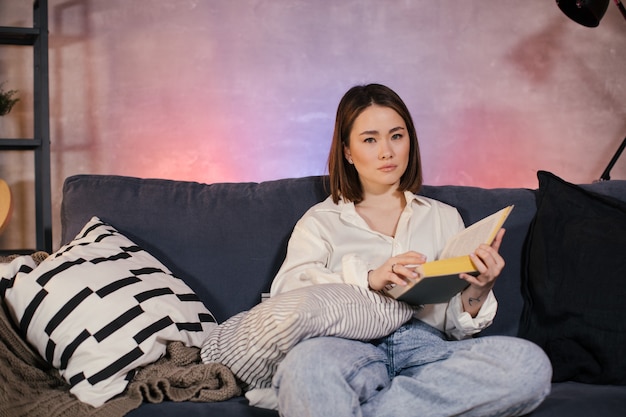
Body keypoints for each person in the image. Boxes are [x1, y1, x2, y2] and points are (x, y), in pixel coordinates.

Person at [269, 83, 552, 417]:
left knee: (529, 366)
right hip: (345, 348)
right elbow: (285, 297)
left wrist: (478, 289)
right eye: (370, 139)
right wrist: (370, 278)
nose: (387, 152)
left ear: (409, 141)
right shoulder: (320, 221)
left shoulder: (444, 217)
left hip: (425, 351)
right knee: (303, 369)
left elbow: (454, 327)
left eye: (396, 136)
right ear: (347, 151)